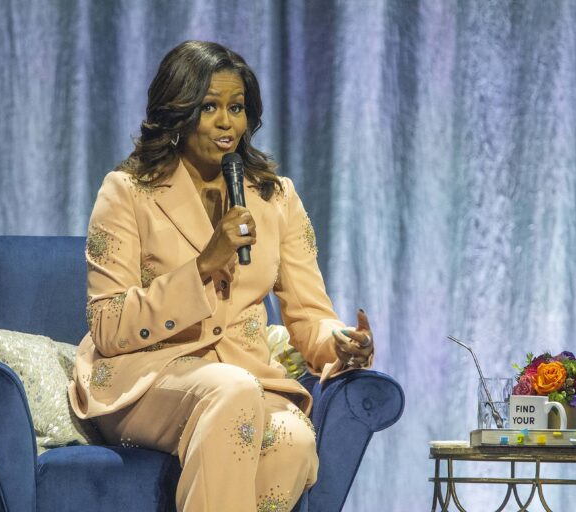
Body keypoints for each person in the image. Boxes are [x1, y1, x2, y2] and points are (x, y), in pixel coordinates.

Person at [68, 40, 375, 512]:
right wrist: (203, 265)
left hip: (245, 378)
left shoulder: (275, 198)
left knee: (292, 438)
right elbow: (108, 326)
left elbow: (310, 316)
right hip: (146, 380)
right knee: (230, 389)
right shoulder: (128, 192)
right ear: (178, 111)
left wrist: (341, 343)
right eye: (209, 107)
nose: (227, 122)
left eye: (237, 108)